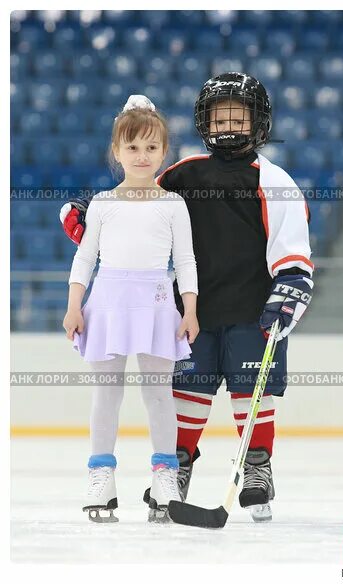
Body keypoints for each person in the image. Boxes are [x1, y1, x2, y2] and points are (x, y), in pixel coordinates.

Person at [60, 73, 313, 523]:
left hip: (254, 308)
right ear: (203, 122)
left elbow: (291, 244)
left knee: (248, 389)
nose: (229, 125)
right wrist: (91, 224)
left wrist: (291, 282)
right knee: (187, 391)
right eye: (220, 117)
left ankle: (256, 466)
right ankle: (175, 467)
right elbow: (140, 202)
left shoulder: (274, 180)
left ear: (259, 122)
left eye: (239, 116)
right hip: (190, 308)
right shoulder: (184, 174)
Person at [62, 95, 199, 523]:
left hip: (158, 304)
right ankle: (101, 474)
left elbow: (187, 260)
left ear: (164, 151)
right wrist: (74, 305)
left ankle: (164, 474)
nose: (142, 156)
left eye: (151, 147)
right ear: (117, 151)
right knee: (107, 393)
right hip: (107, 303)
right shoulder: (103, 203)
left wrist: (190, 309)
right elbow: (85, 258)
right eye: (133, 147)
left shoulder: (173, 205)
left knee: (159, 393)